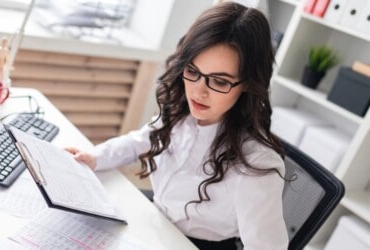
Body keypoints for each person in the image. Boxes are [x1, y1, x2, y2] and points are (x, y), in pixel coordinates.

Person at [66, 2, 288, 249]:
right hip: (158, 224)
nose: (198, 91)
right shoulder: (182, 114)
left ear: (247, 83)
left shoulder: (258, 165)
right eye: (192, 71)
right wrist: (95, 157)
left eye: (219, 81)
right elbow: (140, 140)